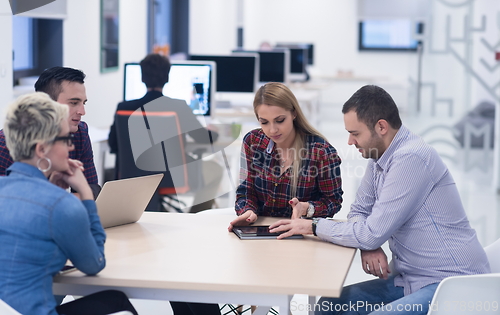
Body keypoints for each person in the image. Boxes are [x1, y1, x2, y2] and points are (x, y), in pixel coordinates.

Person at [269, 85, 490, 315]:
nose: (349, 141)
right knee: (330, 306)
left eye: (355, 133)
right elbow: (359, 211)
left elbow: (370, 232)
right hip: (411, 280)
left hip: (452, 284)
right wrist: (369, 244)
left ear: (381, 127)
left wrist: (313, 226)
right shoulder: (379, 158)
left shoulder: (411, 158)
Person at [0, 93, 138, 315]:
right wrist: (85, 193)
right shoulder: (62, 205)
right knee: (117, 300)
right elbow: (95, 263)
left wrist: (54, 191)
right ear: (41, 149)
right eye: (65, 140)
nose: (71, 148)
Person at [108, 53, 223, 213]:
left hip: (132, 177)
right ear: (167, 77)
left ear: (142, 77)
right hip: (171, 177)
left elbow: (113, 146)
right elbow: (203, 137)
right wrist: (213, 132)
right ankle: (195, 216)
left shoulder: (123, 107)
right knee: (216, 170)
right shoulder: (178, 106)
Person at [228, 82, 343, 230]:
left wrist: (306, 208)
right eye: (264, 122)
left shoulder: (321, 152)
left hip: (301, 234)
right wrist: (248, 211)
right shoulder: (253, 142)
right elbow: (246, 190)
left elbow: (333, 202)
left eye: (280, 120)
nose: (272, 130)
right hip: (260, 231)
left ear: (294, 113)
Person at [0, 66, 101, 199]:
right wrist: (61, 199)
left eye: (83, 103)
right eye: (74, 103)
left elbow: (93, 189)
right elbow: (9, 201)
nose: (82, 111)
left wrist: (58, 199)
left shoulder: (79, 133)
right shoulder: (8, 142)